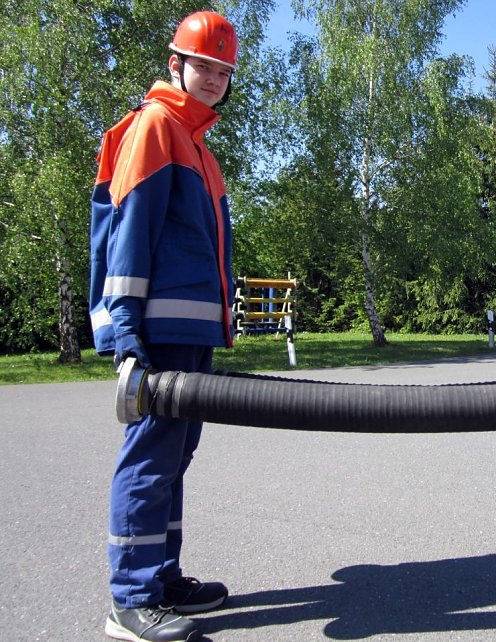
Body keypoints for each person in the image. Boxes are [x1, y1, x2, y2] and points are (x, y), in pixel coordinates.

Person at [89, 11, 239, 641]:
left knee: (175, 456)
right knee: (151, 458)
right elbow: (129, 232)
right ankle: (131, 599)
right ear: (175, 63)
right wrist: (125, 333)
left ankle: (163, 577)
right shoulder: (157, 127)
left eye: (223, 71)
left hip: (192, 331)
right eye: (202, 65)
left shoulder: (196, 143)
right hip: (157, 333)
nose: (211, 79)